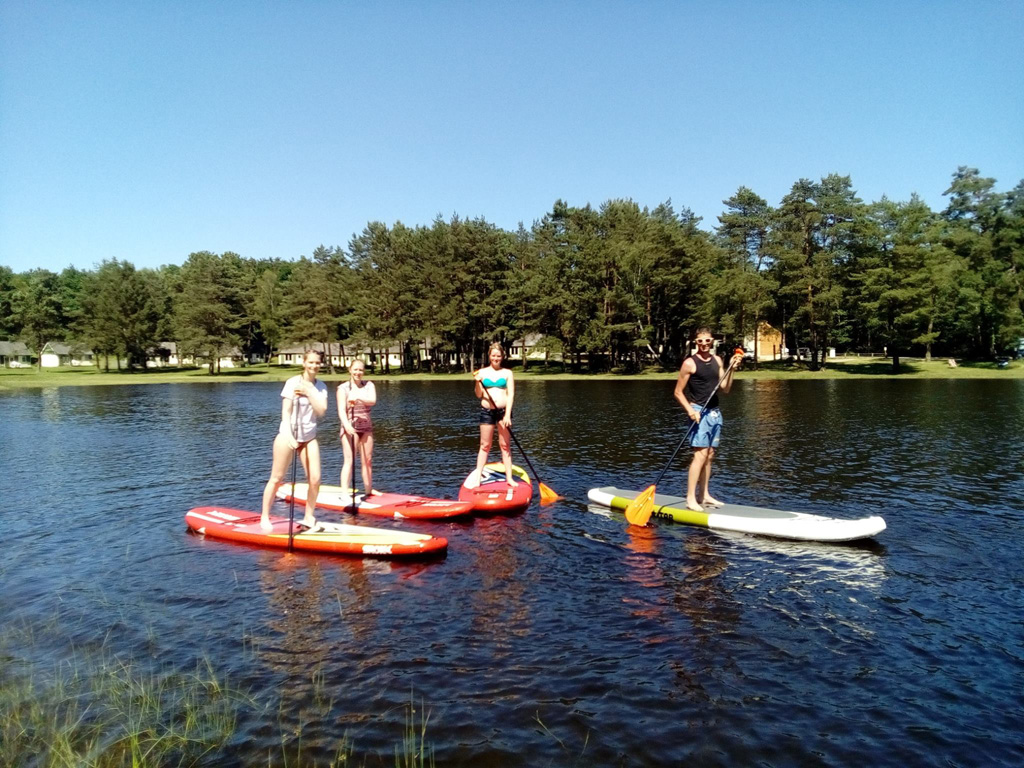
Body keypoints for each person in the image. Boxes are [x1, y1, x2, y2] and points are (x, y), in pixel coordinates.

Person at [673, 327, 743, 512]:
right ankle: (690, 498)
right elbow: (678, 392)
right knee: (700, 455)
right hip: (698, 411)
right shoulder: (690, 363)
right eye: (700, 341)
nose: (704, 344)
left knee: (710, 455)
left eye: (707, 341)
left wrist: (732, 369)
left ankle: (704, 495)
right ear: (696, 343)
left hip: (714, 412)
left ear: (712, 341)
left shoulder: (717, 360)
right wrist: (690, 411)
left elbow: (726, 388)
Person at [260, 349, 329, 531]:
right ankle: (265, 517)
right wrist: (289, 436)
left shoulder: (321, 386)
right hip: (287, 435)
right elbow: (286, 412)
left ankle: (308, 516)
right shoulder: (292, 383)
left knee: (315, 479)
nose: (314, 366)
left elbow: (321, 411)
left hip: (309, 437)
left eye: (317, 363)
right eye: (311, 362)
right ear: (304, 363)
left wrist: (308, 391)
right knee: (277, 477)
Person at [470, 342, 516, 487]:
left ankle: (509, 478)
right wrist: (477, 383)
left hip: (503, 413)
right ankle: (478, 478)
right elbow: (479, 395)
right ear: (489, 356)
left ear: (502, 356)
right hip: (487, 412)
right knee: (485, 445)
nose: (496, 358)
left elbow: (511, 395)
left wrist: (508, 414)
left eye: (498, 355)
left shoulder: (507, 373)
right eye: (493, 355)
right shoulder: (482, 373)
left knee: (505, 445)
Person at [338, 358, 378, 496]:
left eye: (361, 370)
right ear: (350, 370)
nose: (358, 372)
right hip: (350, 426)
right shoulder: (343, 388)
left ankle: (368, 490)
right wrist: (347, 426)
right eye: (355, 369)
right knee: (349, 460)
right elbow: (341, 410)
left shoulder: (369, 385)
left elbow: (372, 401)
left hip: (366, 427)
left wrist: (359, 399)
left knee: (367, 460)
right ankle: (344, 492)